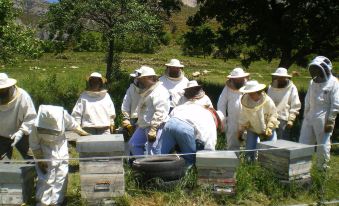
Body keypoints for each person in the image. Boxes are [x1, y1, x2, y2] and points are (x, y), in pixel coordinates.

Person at [29, 105, 88, 206]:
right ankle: (43, 203)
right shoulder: (35, 123)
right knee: (46, 178)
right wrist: (40, 159)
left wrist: (83, 132)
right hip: (45, 150)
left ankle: (56, 202)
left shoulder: (62, 114)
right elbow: (34, 143)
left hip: (61, 148)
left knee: (62, 175)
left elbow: (73, 124)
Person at [299, 56, 339, 170]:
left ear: (326, 69)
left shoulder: (334, 83)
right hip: (310, 115)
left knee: (323, 144)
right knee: (303, 141)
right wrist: (305, 115)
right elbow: (307, 99)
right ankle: (301, 166)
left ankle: (322, 168)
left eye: (318, 69)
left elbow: (336, 103)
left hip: (324, 115)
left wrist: (330, 120)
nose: (316, 72)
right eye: (314, 69)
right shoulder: (312, 82)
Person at [157, 103, 224, 165]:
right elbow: (209, 147)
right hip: (185, 129)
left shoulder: (196, 107)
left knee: (158, 155)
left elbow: (175, 109)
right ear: (217, 120)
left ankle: (152, 174)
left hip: (170, 122)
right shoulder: (211, 122)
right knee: (190, 159)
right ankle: (184, 176)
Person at [128, 66, 170, 155]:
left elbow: (160, 111)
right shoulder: (148, 90)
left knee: (153, 150)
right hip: (143, 125)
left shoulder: (159, 91)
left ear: (148, 78)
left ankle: (154, 168)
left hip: (157, 126)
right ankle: (143, 165)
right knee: (133, 144)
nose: (138, 81)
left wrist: (154, 128)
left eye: (141, 79)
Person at [238, 80, 280, 161]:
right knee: (249, 152)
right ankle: (249, 167)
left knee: (272, 150)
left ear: (257, 91)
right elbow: (243, 118)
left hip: (268, 129)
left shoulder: (268, 100)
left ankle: (270, 167)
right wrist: (240, 131)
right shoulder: (246, 101)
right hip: (253, 129)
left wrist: (269, 127)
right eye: (248, 93)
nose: (249, 95)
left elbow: (273, 115)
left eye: (251, 93)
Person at [0, 73, 36, 160]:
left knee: (33, 160)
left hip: (23, 134)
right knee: (2, 165)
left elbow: (31, 118)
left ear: (8, 87)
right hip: (1, 135)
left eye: (2, 90)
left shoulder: (23, 96)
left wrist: (21, 133)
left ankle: (38, 172)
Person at [217, 68, 249, 150]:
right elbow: (221, 104)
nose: (238, 80)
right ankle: (233, 162)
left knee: (251, 144)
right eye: (236, 79)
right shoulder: (227, 88)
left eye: (240, 78)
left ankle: (251, 162)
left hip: (248, 121)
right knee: (232, 146)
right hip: (233, 121)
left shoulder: (249, 87)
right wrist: (222, 122)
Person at [267, 67, 301, 140]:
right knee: (270, 141)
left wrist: (291, 119)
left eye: (282, 77)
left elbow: (295, 104)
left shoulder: (292, 88)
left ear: (286, 77)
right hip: (271, 118)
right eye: (279, 77)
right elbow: (267, 102)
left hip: (284, 118)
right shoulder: (271, 87)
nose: (280, 79)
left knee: (282, 141)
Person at [120, 70, 141, 137]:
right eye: (135, 78)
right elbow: (126, 103)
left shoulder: (150, 89)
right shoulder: (131, 88)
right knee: (133, 139)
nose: (136, 80)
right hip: (134, 118)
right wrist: (126, 118)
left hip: (146, 118)